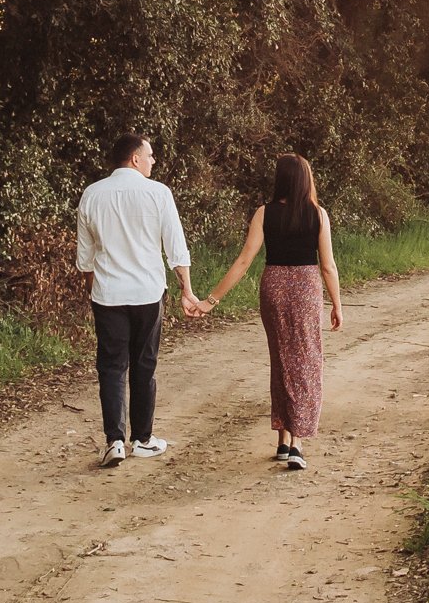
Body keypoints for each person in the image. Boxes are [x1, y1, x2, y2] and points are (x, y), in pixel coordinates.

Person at [189, 153, 343, 469]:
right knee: (306, 362)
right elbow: (327, 265)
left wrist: (211, 300)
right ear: (305, 179)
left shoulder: (264, 213)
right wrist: (337, 304)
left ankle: (283, 440)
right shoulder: (318, 215)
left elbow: (245, 260)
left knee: (282, 359)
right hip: (305, 288)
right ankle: (297, 443)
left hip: (273, 286)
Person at [75, 132, 195, 468]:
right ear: (135, 159)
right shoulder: (157, 193)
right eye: (151, 155)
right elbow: (175, 246)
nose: (154, 161)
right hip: (147, 293)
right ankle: (142, 439)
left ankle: (114, 441)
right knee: (144, 365)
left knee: (112, 367)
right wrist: (186, 289)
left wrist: (94, 292)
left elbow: (85, 258)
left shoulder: (92, 194)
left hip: (108, 294)